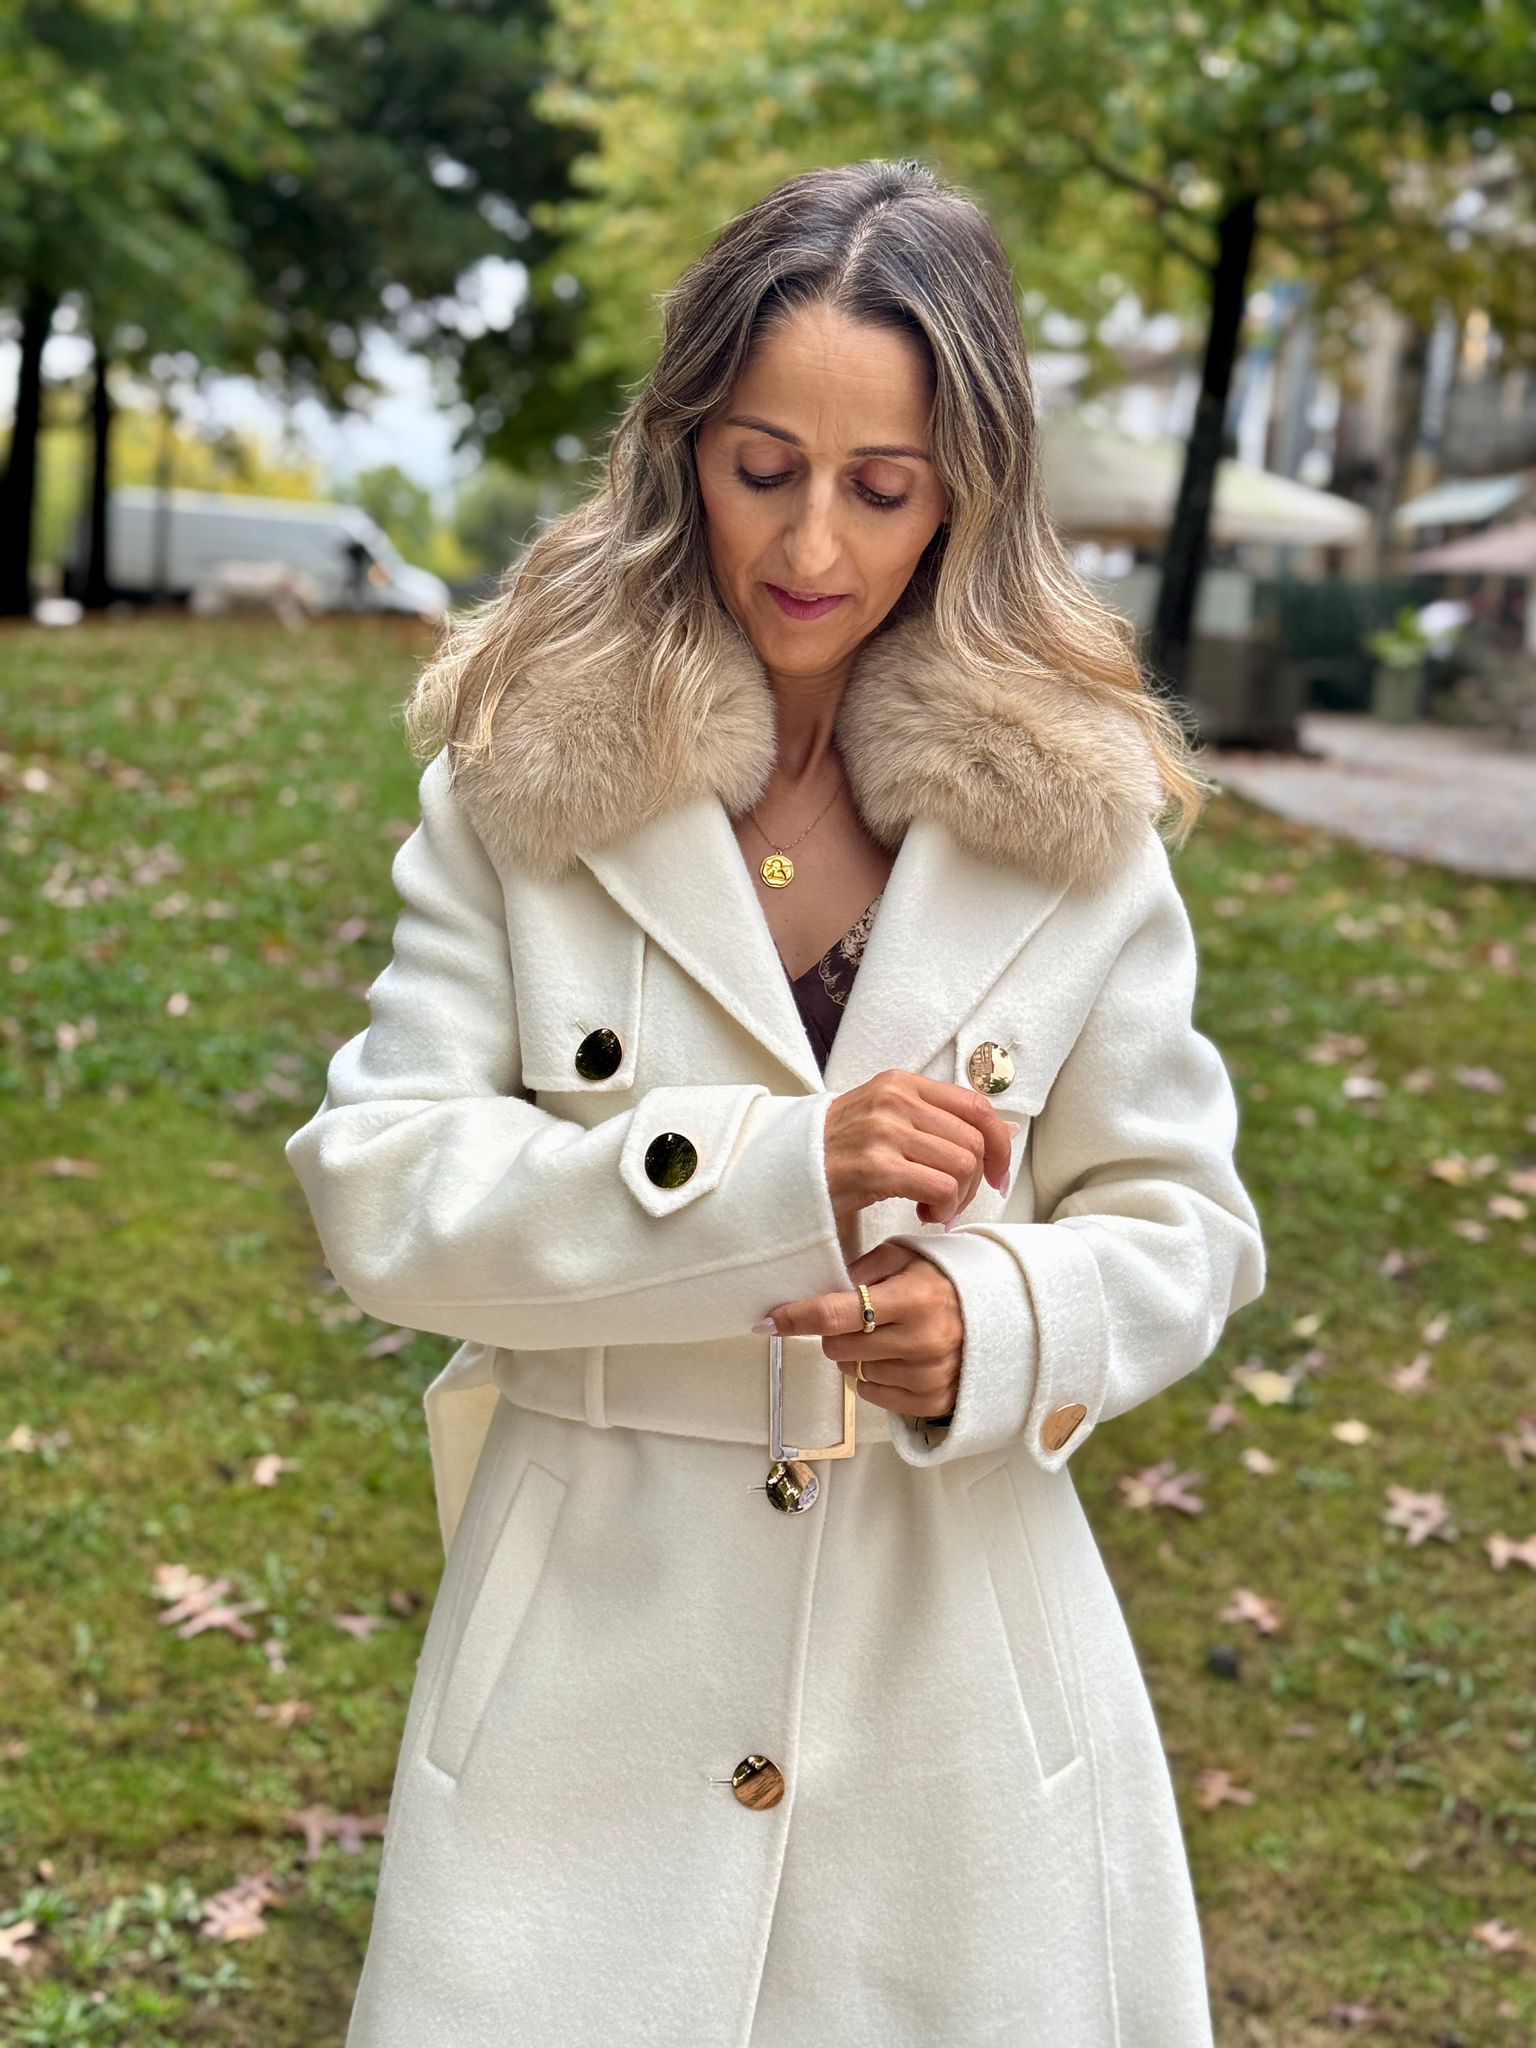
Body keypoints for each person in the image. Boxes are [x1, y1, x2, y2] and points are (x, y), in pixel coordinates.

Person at [285, 157, 1267, 2048]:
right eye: (763, 468)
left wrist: (995, 1321)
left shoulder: (1077, 821)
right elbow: (381, 1186)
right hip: (585, 1680)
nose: (812, 542)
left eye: (881, 487)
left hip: (957, 1702)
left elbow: (1187, 1229)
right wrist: (771, 1175)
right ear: (684, 452)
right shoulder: (524, 780)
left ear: (966, 492)